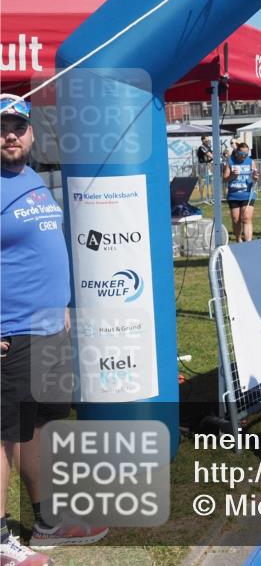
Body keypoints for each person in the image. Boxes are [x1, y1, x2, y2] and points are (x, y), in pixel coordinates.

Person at [1, 95, 109, 564]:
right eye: (2, 127)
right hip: (11, 332)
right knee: (4, 434)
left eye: (17, 127)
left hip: (48, 328)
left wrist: (61, 303)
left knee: (38, 425)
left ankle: (48, 521)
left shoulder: (32, 180)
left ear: (31, 133)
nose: (10, 134)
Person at [221, 142, 257, 242]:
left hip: (248, 194)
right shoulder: (230, 161)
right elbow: (224, 179)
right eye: (242, 154)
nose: (244, 156)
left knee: (246, 218)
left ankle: (248, 243)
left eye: (246, 154)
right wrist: (232, 175)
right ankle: (238, 240)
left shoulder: (251, 162)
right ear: (237, 152)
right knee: (236, 219)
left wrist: (255, 177)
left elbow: (255, 177)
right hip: (234, 195)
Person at [196, 135, 213, 203]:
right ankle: (202, 198)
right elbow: (210, 155)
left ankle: (210, 197)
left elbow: (211, 154)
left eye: (208, 140)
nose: (208, 141)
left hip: (208, 165)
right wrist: (211, 157)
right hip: (202, 166)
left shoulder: (208, 147)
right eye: (206, 140)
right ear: (203, 140)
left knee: (210, 181)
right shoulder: (202, 147)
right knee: (202, 182)